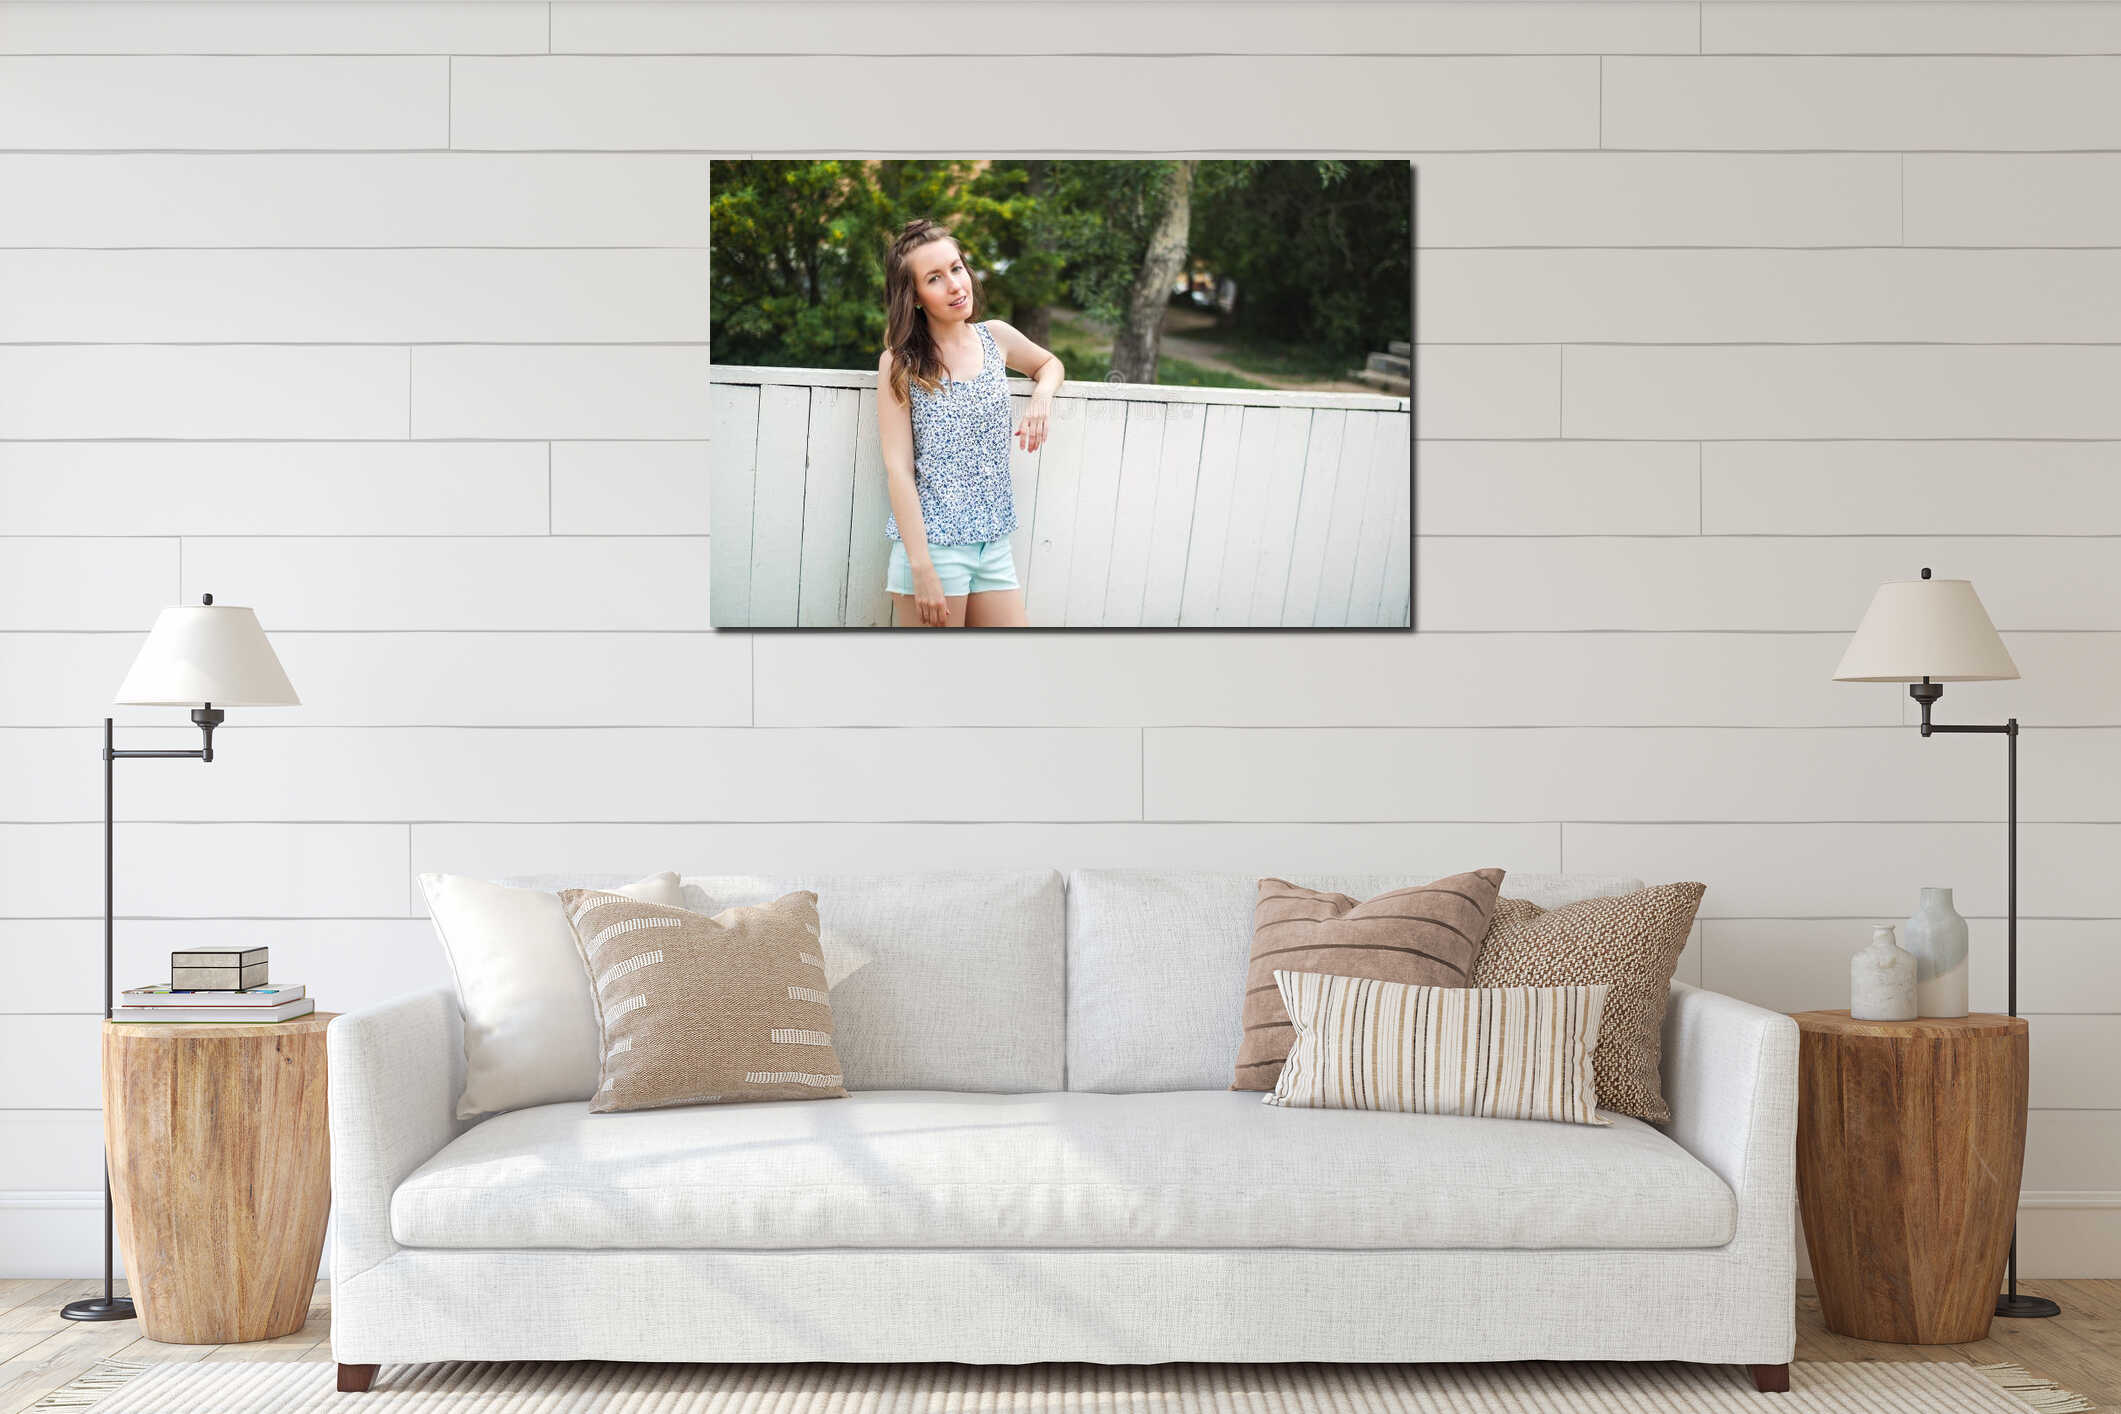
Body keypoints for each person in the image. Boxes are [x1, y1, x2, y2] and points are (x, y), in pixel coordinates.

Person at [878, 219, 1064, 628]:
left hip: (993, 544)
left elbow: (1050, 364)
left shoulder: (995, 337)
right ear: (916, 297)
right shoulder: (901, 362)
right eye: (935, 278)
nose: (955, 285)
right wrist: (921, 566)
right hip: (935, 548)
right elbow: (898, 469)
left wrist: (1041, 399)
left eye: (956, 268)